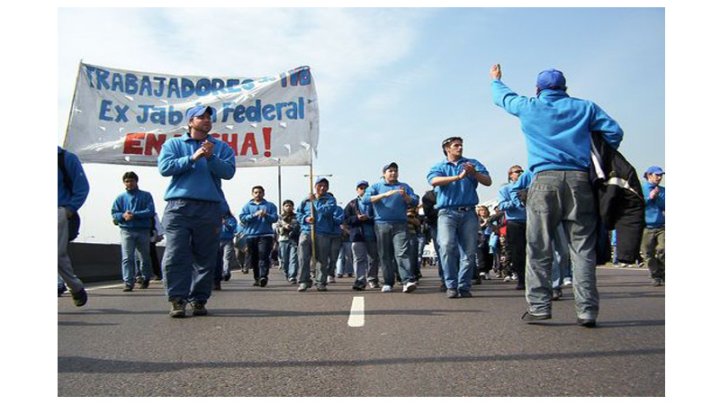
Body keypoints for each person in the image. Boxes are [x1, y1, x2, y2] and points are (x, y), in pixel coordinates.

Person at [491, 64, 623, 327]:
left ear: (538, 89)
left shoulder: (530, 106)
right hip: (579, 180)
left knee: (539, 247)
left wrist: (496, 79)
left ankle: (539, 308)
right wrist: (593, 152)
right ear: (565, 88)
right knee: (582, 249)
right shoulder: (585, 107)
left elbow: (502, 98)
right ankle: (587, 311)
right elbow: (614, 132)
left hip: (543, 181)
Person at [157, 105, 236, 318]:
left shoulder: (220, 147)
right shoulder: (173, 144)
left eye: (209, 117)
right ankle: (177, 299)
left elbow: (228, 172)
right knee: (175, 254)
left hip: (209, 208)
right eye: (201, 117)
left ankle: (199, 299)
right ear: (190, 122)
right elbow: (165, 168)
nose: (207, 120)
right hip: (178, 207)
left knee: (206, 257)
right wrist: (193, 157)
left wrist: (211, 158)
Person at [427, 137, 492, 298]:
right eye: (456, 145)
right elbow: (434, 181)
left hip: (469, 212)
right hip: (447, 213)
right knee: (447, 246)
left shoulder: (472, 163)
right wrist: (458, 177)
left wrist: (474, 173)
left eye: (461, 145)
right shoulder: (439, 166)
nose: (460, 147)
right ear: (447, 149)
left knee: (469, 252)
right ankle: (451, 284)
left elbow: (488, 181)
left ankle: (463, 285)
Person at [363, 162, 419, 293]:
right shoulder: (376, 186)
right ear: (384, 173)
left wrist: (406, 196)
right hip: (381, 224)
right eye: (390, 171)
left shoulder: (404, 186)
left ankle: (407, 280)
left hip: (400, 224)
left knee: (402, 253)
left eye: (395, 171)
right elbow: (365, 199)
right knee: (385, 254)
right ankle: (388, 282)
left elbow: (415, 201)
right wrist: (384, 195)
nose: (393, 173)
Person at [111, 171, 156, 292]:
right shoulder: (120, 198)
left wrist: (134, 215)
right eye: (127, 181)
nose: (129, 183)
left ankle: (145, 277)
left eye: (131, 181)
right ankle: (128, 282)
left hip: (142, 230)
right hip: (126, 230)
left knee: (144, 257)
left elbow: (150, 211)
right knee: (127, 257)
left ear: (136, 182)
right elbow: (114, 213)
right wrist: (122, 216)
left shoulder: (146, 195)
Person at [58, 146, 89, 307]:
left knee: (57, 255)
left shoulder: (65, 158)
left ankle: (74, 286)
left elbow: (82, 187)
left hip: (58, 211)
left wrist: (69, 210)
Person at [296, 177, 339, 292]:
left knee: (322, 258)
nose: (322, 188)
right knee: (303, 257)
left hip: (323, 232)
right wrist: (306, 219)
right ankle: (304, 281)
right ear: (315, 186)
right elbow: (298, 214)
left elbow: (326, 211)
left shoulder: (330, 200)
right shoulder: (305, 200)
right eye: (320, 185)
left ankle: (320, 282)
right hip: (307, 231)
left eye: (325, 186)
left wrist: (314, 201)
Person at [239, 186, 279, 287]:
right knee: (254, 258)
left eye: (260, 192)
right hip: (251, 236)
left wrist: (266, 215)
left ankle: (263, 276)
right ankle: (257, 278)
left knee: (263, 256)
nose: (258, 194)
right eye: (256, 192)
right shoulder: (247, 206)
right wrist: (254, 215)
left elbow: (275, 218)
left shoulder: (270, 205)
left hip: (266, 235)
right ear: (252, 194)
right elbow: (243, 219)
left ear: (263, 193)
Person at [344, 180, 380, 290]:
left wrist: (368, 218)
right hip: (357, 236)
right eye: (360, 188)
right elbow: (345, 219)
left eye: (365, 188)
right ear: (357, 190)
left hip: (373, 235)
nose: (363, 190)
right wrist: (357, 218)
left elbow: (380, 217)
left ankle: (372, 278)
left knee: (374, 258)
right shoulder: (352, 204)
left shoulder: (375, 202)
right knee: (359, 259)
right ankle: (360, 280)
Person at [497, 165, 527, 290]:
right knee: (517, 252)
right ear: (510, 175)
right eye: (516, 172)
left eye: (521, 171)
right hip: (515, 223)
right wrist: (515, 201)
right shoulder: (505, 189)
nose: (519, 173)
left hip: (531, 221)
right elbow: (501, 205)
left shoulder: (529, 187)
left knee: (534, 251)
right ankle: (521, 279)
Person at [642, 166, 665, 286]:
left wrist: (658, 197)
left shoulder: (663, 190)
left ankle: (663, 273)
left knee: (663, 249)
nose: (660, 177)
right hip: (646, 227)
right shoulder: (641, 188)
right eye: (657, 175)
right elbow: (636, 204)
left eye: (661, 175)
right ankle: (655, 275)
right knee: (648, 254)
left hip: (661, 225)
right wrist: (649, 197)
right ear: (649, 175)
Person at [276, 199, 300, 284]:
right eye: (286, 206)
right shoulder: (279, 217)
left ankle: (292, 276)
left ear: (293, 207)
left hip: (294, 240)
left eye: (290, 206)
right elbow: (277, 229)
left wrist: (292, 228)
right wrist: (283, 227)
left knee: (293, 259)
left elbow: (298, 227)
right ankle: (287, 273)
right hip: (283, 240)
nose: (288, 207)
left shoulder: (297, 217)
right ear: (283, 207)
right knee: (285, 260)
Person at [215, 205, 238, 290]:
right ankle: (219, 273)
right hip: (217, 240)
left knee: (226, 258)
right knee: (217, 258)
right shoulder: (215, 218)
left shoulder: (231, 219)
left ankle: (226, 273)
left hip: (228, 240)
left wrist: (226, 224)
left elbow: (234, 229)